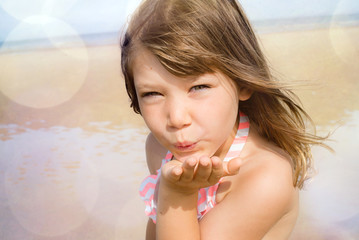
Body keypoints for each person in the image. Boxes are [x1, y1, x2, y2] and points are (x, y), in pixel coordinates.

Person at [120, 0, 327, 239]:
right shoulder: (158, 149)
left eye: (199, 87)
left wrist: (177, 193)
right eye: (153, 94)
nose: (176, 119)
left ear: (243, 82)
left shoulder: (266, 177)